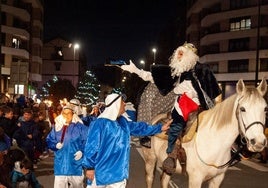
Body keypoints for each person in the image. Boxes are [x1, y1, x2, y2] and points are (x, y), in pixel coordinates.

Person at [121, 42, 221, 174]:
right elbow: (152, 77)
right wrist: (135, 70)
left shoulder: (202, 70)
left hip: (200, 105)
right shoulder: (175, 72)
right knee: (175, 122)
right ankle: (172, 156)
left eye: (182, 54)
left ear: (190, 56)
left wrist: (215, 107)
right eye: (178, 53)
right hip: (180, 104)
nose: (178, 56)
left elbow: (215, 92)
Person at [82, 93, 172, 188]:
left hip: (118, 174)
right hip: (100, 173)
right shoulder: (99, 124)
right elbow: (91, 147)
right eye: (122, 102)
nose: (125, 104)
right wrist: (90, 167)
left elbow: (140, 128)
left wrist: (160, 128)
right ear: (115, 104)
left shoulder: (122, 122)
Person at [46, 104, 89, 188]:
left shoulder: (81, 128)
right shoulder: (57, 127)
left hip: (75, 165)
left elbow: (88, 142)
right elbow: (49, 140)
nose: (66, 115)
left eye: (69, 113)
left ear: (73, 114)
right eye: (64, 113)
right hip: (60, 165)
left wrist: (82, 151)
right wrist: (55, 145)